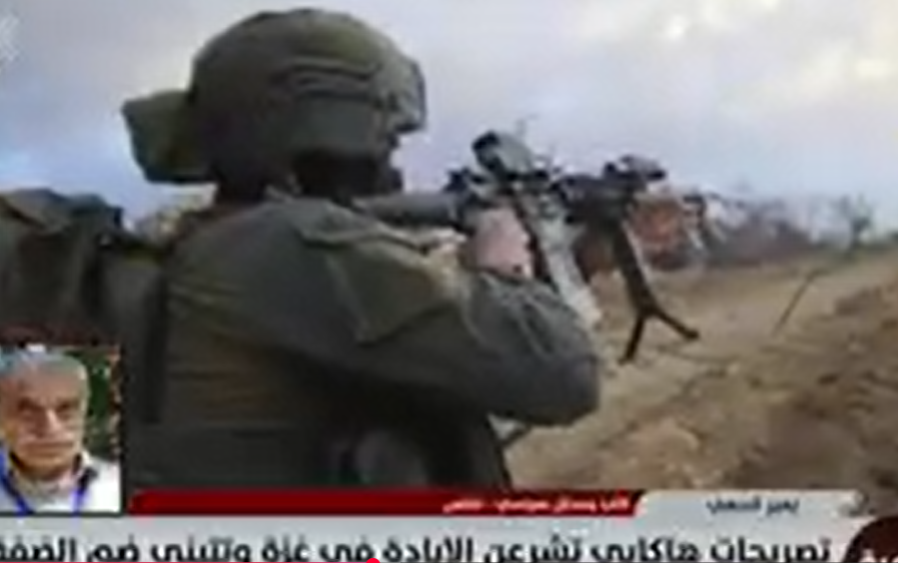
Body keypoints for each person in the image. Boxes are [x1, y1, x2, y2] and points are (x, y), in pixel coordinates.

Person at [121, 8, 602, 488]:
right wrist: (504, 265)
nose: (392, 160)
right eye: (386, 138)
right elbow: (562, 375)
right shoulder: (296, 244)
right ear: (330, 132)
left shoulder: (210, 244)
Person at [0, 350, 121, 514]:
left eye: (66, 409)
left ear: (84, 412)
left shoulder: (117, 484)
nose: (50, 428)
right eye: (28, 411)